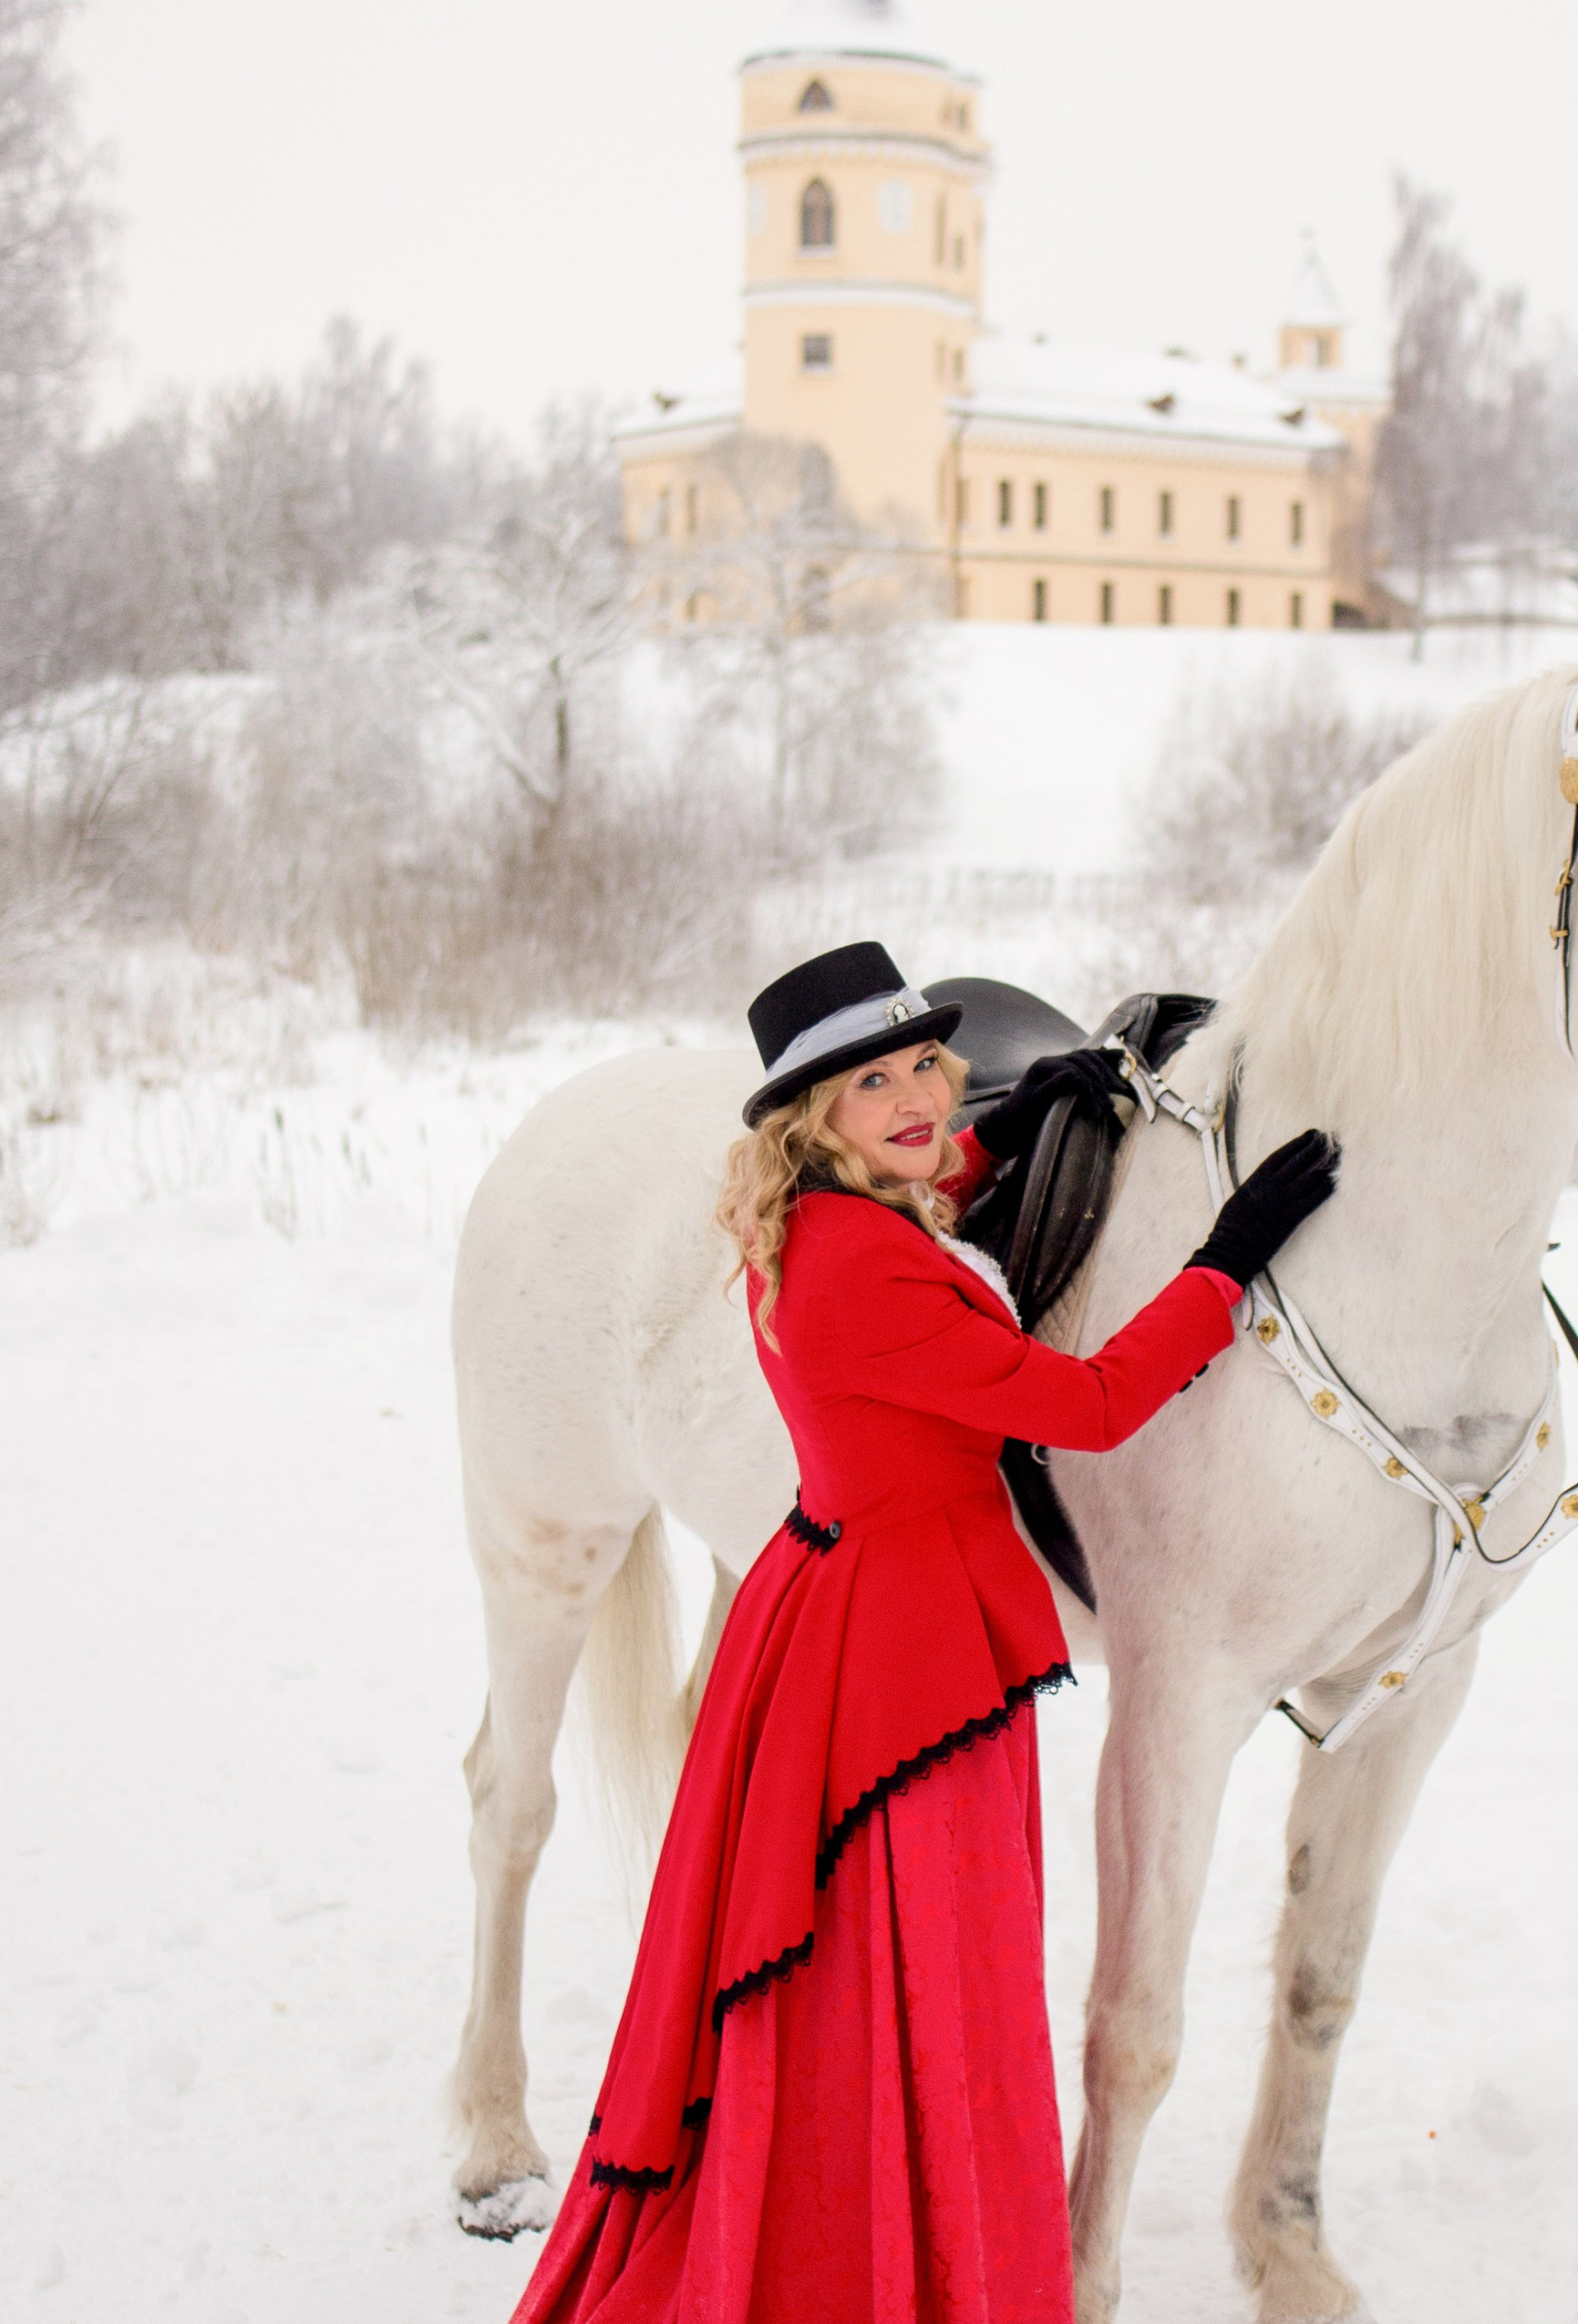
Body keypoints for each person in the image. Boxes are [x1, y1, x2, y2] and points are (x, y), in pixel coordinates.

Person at [511, 941, 1338, 2324]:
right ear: (807, 1121)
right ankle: (909, 2250)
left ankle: (898, 2203)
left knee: (878, 1969)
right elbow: (1084, 1406)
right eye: (868, 1085)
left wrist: (1008, 1123)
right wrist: (1226, 1261)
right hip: (904, 1662)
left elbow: (938, 1184)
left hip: (864, 1604)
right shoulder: (856, 1276)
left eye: (920, 1071)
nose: (911, 1103)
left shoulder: (836, 1214)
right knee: (932, 1963)